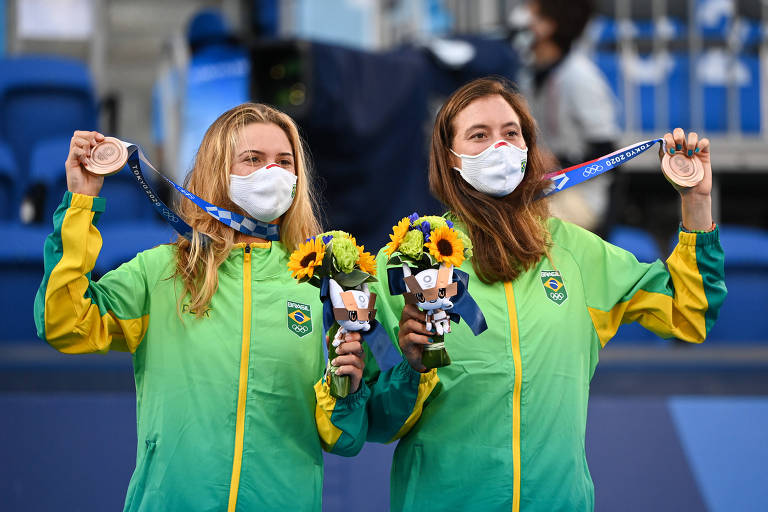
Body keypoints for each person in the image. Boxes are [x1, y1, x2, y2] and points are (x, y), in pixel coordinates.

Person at [367, 78, 726, 511]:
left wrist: (696, 203)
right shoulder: (406, 262)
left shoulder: (576, 252)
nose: (499, 146)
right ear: (450, 158)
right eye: (479, 135)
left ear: (528, 147)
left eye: (511, 133)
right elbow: (376, 418)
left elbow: (690, 312)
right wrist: (409, 368)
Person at [33, 103, 370, 511]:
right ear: (217, 169)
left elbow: (343, 436)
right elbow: (64, 322)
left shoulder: (321, 280)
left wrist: (349, 391)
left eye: (285, 162)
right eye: (253, 159)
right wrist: (80, 203)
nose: (273, 173)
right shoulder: (161, 271)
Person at [517, 0, 619, 235]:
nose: (520, 20)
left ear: (547, 26)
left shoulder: (580, 77)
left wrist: (559, 161)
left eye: (530, 13)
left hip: (580, 196)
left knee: (517, 226)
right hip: (544, 189)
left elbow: (608, 152)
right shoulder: (529, 73)